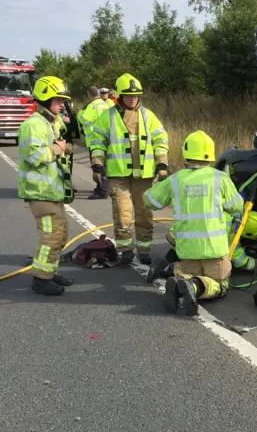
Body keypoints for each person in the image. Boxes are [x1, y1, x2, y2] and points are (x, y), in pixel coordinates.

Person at [144, 130, 245, 315]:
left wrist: (160, 184)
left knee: (188, 272)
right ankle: (194, 287)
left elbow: (150, 200)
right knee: (221, 284)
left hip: (187, 252)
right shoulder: (219, 178)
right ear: (210, 153)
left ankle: (177, 280)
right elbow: (237, 207)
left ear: (186, 152)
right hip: (214, 251)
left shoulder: (176, 180)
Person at [89, 73, 169, 265]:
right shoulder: (107, 117)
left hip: (144, 175)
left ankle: (145, 250)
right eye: (128, 95)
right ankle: (125, 250)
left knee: (144, 213)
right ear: (120, 96)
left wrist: (162, 163)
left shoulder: (148, 116)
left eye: (136, 95)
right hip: (119, 175)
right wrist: (97, 163)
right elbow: (97, 141)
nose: (133, 99)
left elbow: (160, 139)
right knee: (122, 214)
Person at [17, 75, 75, 296]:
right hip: (40, 193)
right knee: (50, 235)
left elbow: (62, 144)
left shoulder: (50, 122)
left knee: (61, 233)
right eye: (58, 100)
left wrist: (65, 145)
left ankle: (49, 272)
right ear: (45, 99)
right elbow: (34, 155)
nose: (62, 104)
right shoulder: (33, 125)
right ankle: (41, 280)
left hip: (52, 192)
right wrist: (58, 148)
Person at [77, 86, 110, 199]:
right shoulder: (105, 104)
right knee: (104, 165)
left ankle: (102, 191)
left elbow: (85, 120)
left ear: (89, 95)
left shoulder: (93, 106)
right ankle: (103, 188)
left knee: (98, 167)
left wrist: (80, 112)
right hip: (106, 140)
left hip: (95, 141)